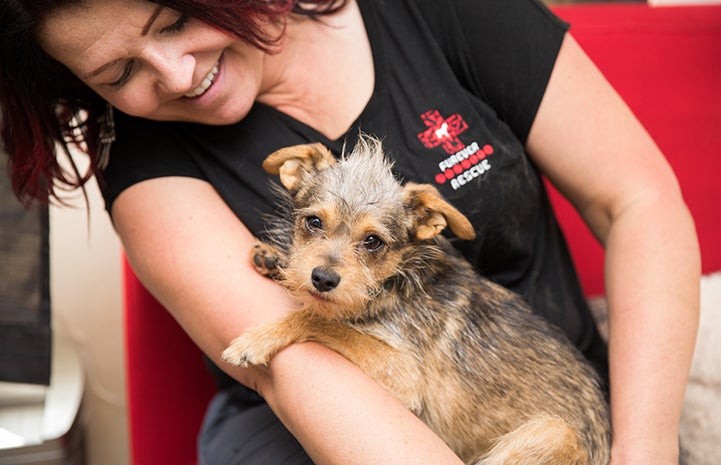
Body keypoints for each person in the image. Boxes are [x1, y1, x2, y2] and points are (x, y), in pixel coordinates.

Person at [0, 1, 700, 464]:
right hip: (318, 426)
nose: (178, 76)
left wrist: (644, 449)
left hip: (534, 406)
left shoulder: (435, 9)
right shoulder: (149, 167)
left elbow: (633, 200)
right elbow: (295, 364)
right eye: (119, 73)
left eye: (178, 17)